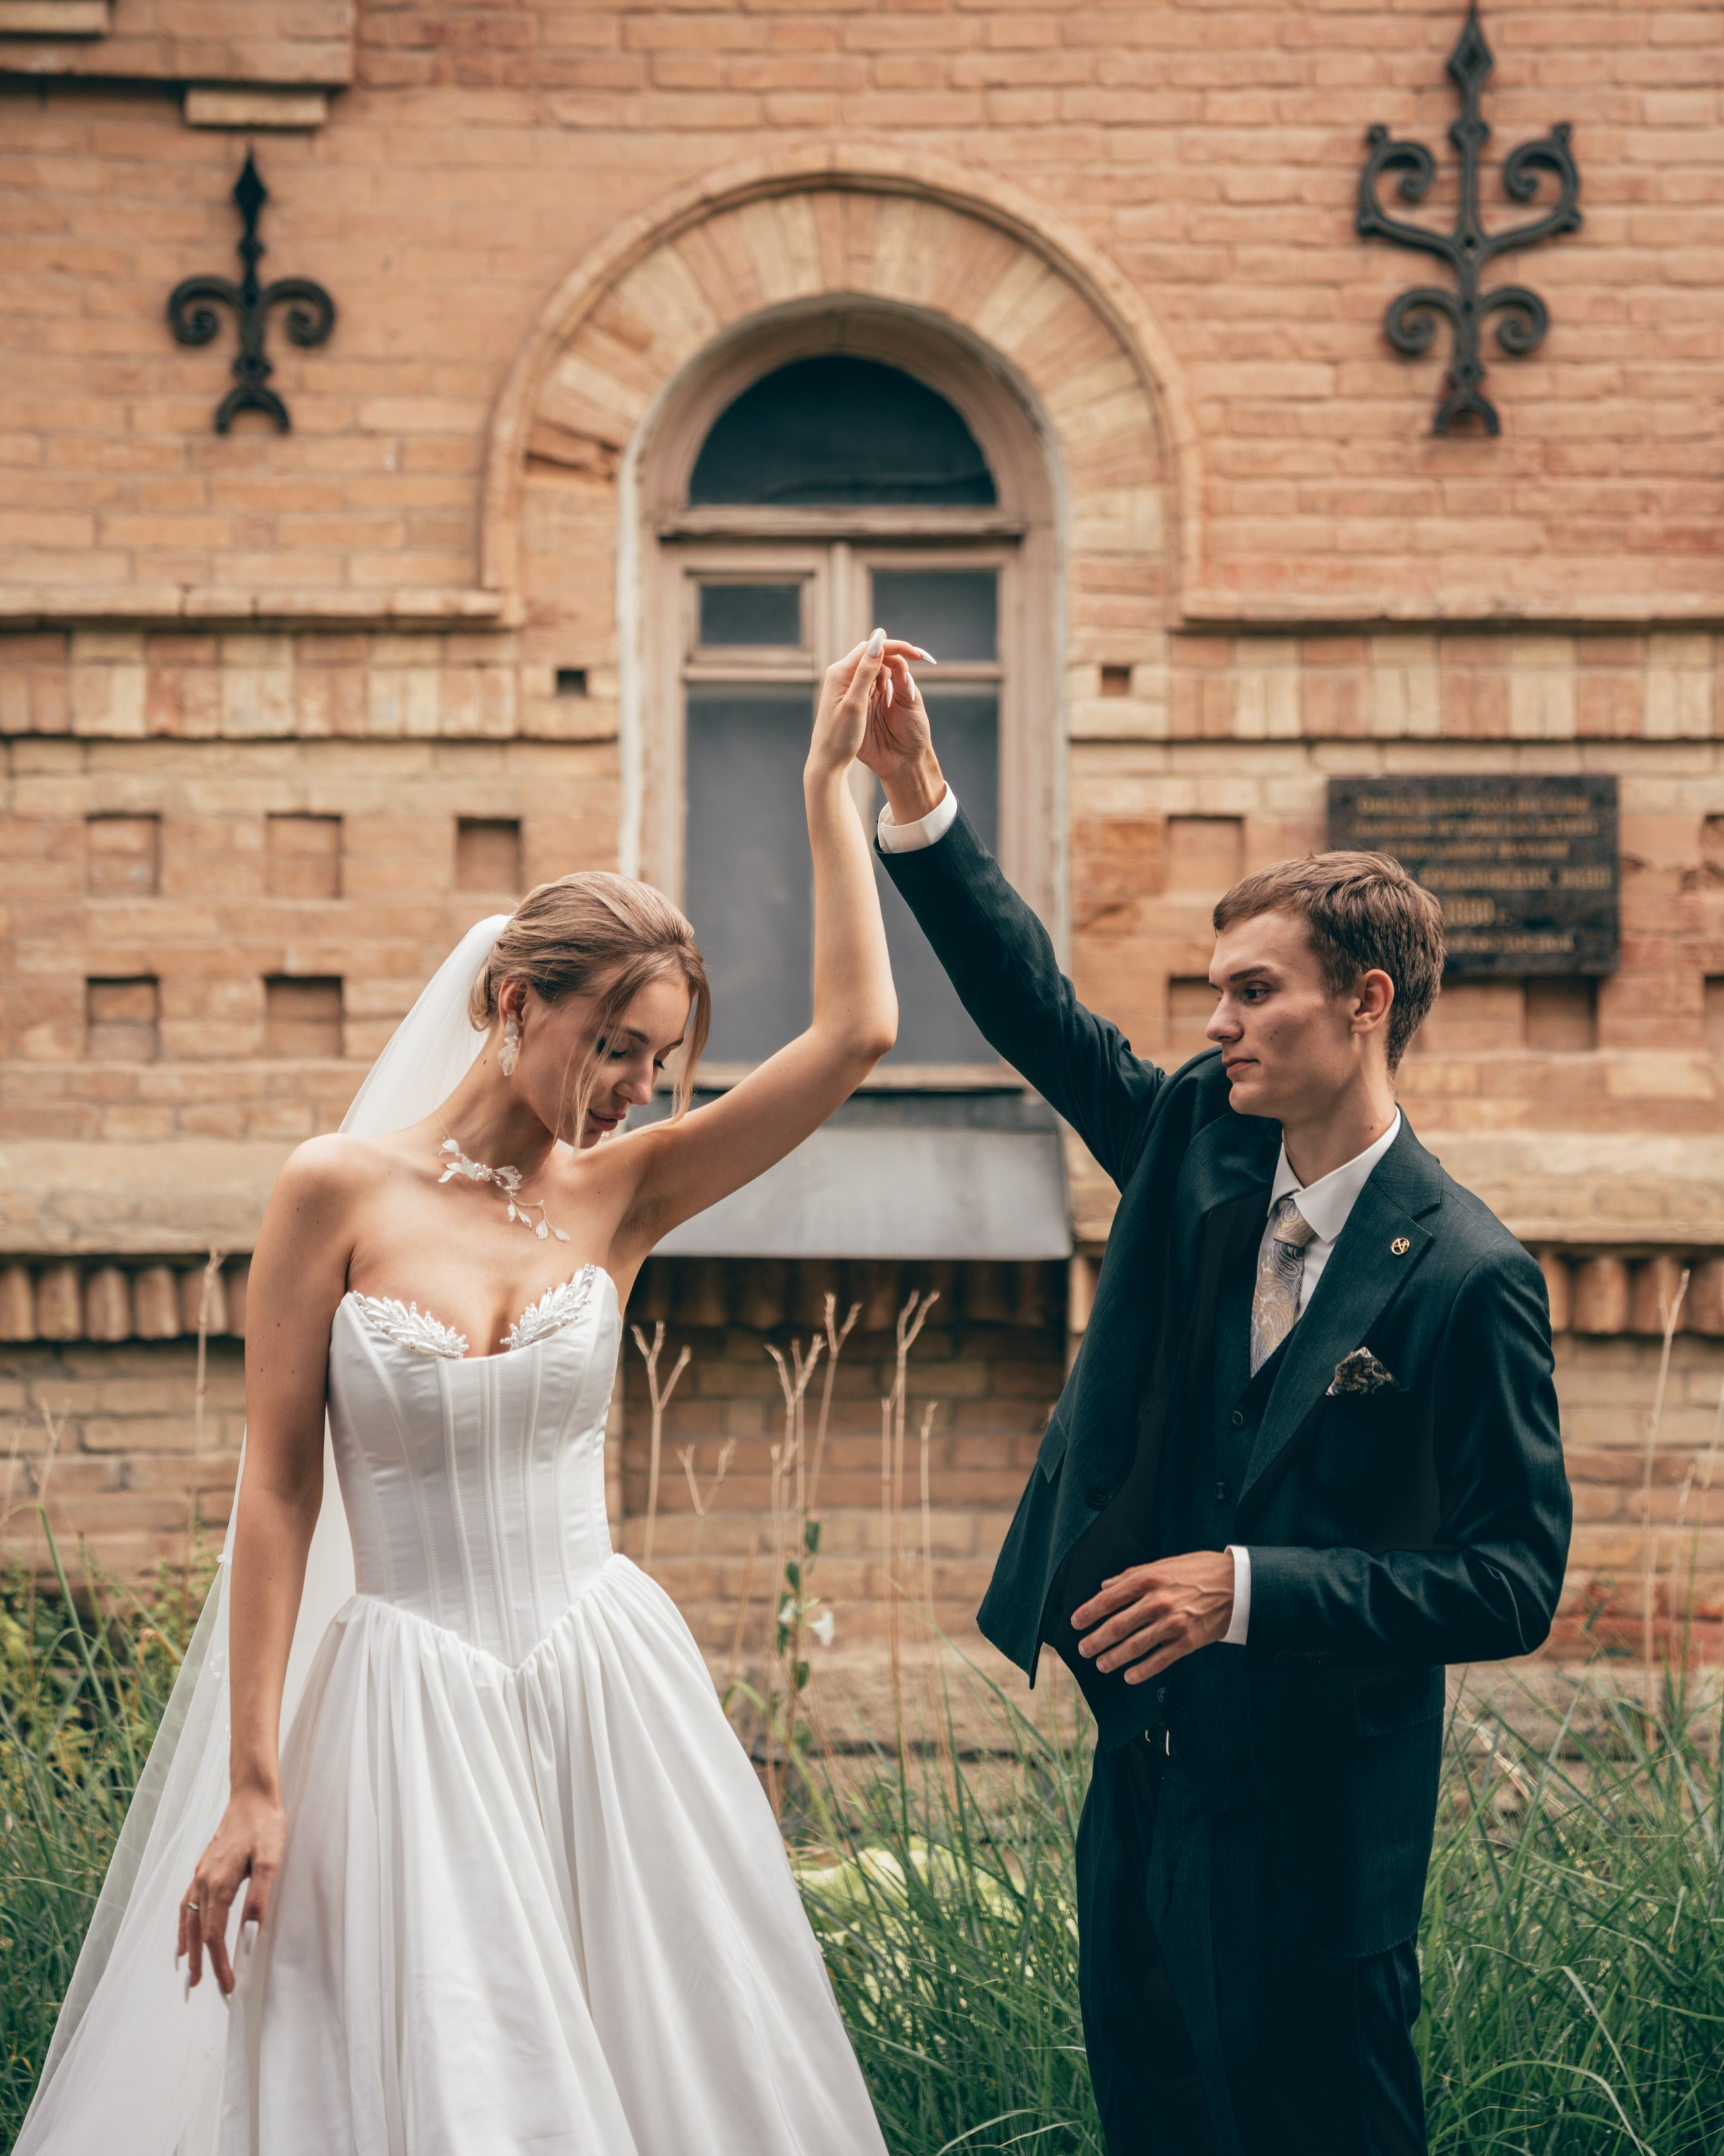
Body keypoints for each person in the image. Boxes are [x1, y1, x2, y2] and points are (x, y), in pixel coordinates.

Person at [17, 632, 908, 2156]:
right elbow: (279, 1491)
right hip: (406, 1708)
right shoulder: (332, 1194)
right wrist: (252, 1779)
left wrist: (830, 787)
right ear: (513, 1000)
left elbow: (853, 1039)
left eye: (660, 1058)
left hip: (600, 1687)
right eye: (612, 1044)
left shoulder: (622, 1192)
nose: (634, 1084)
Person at [859, 651, 1572, 2156]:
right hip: (1141, 1808)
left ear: (1364, 1002)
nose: (1218, 1024)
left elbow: (1510, 1585)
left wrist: (1245, 1592)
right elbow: (1044, 1023)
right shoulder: (1198, 1136)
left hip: (1320, 1856)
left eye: (1253, 992)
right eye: (1212, 993)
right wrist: (920, 803)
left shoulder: (1467, 1277)